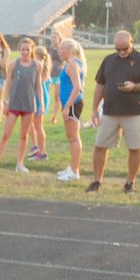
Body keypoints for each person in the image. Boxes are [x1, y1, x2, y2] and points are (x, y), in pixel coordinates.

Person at [86, 31, 140, 194]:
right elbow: (100, 86)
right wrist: (94, 110)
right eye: (118, 49)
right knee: (100, 146)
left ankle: (130, 183)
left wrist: (135, 87)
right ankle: (97, 182)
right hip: (110, 111)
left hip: (133, 112)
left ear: (132, 42)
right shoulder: (108, 60)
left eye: (124, 48)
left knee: (135, 147)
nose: (122, 52)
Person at [0, 37, 43, 175]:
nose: (25, 52)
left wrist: (40, 104)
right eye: (22, 49)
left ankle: (20, 164)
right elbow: (8, 85)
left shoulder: (37, 65)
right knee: (6, 134)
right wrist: (6, 101)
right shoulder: (13, 64)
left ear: (31, 50)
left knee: (24, 135)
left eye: (27, 50)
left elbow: (38, 86)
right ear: (19, 50)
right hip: (14, 104)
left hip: (29, 105)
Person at [56, 39, 87, 182]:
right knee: (72, 137)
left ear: (69, 50)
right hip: (72, 103)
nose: (59, 51)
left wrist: (67, 105)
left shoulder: (73, 65)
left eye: (61, 48)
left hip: (72, 104)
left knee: (74, 138)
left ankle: (74, 171)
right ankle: (72, 167)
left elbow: (77, 87)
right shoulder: (72, 64)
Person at [27, 45, 52, 162]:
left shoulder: (38, 66)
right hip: (41, 98)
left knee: (38, 126)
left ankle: (42, 152)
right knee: (33, 125)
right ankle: (37, 148)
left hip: (37, 98)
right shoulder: (45, 66)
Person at [48, 31, 64, 124]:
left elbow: (63, 59)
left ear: (59, 38)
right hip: (49, 74)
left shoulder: (61, 48)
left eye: (55, 37)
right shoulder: (49, 48)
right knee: (45, 94)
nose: (53, 39)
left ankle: (54, 117)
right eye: (52, 37)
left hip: (58, 74)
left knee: (56, 96)